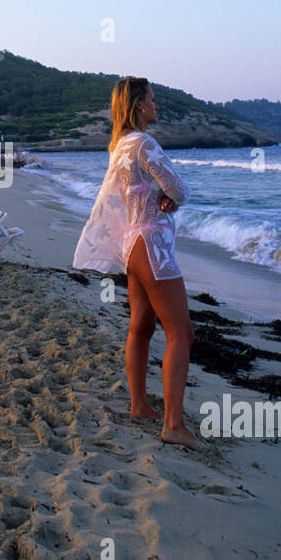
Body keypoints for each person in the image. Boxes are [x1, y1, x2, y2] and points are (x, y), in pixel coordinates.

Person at [72, 76, 200, 449]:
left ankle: (140, 405)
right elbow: (179, 188)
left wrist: (164, 197)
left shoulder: (121, 145)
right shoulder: (143, 142)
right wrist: (171, 199)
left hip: (131, 244)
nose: (157, 107)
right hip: (152, 245)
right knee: (181, 334)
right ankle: (174, 424)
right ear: (139, 105)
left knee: (141, 327)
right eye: (153, 100)